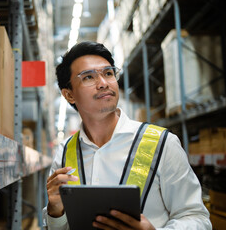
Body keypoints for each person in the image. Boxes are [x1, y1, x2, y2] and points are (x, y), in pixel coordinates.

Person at [42, 41, 212, 229]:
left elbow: (197, 218)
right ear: (69, 95)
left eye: (108, 73)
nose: (103, 83)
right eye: (88, 77)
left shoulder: (163, 144)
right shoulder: (65, 152)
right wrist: (55, 212)